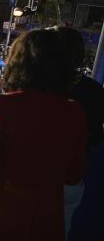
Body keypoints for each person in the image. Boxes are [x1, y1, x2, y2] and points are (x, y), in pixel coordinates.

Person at [0, 29, 88, 241]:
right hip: (42, 224)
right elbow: (74, 175)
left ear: (18, 63)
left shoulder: (0, 106)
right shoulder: (74, 113)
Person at [54, 26, 104, 239]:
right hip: (72, 179)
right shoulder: (94, 91)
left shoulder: (41, 87)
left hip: (39, 176)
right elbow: (95, 135)